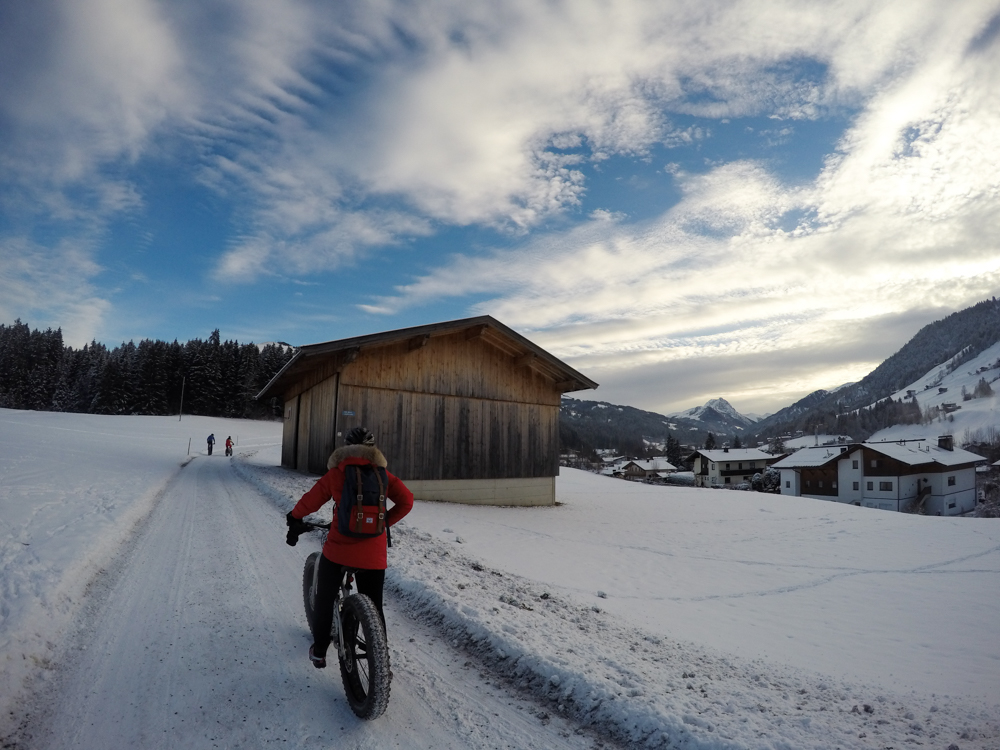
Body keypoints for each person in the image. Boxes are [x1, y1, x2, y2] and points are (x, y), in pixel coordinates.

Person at [285, 427, 413, 668]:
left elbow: (309, 502)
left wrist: (293, 517)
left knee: (324, 598)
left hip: (339, 551)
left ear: (345, 448)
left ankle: (320, 651)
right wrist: (383, 523)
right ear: (373, 450)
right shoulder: (384, 475)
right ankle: (380, 663)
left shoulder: (336, 473)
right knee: (374, 607)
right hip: (373, 555)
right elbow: (407, 501)